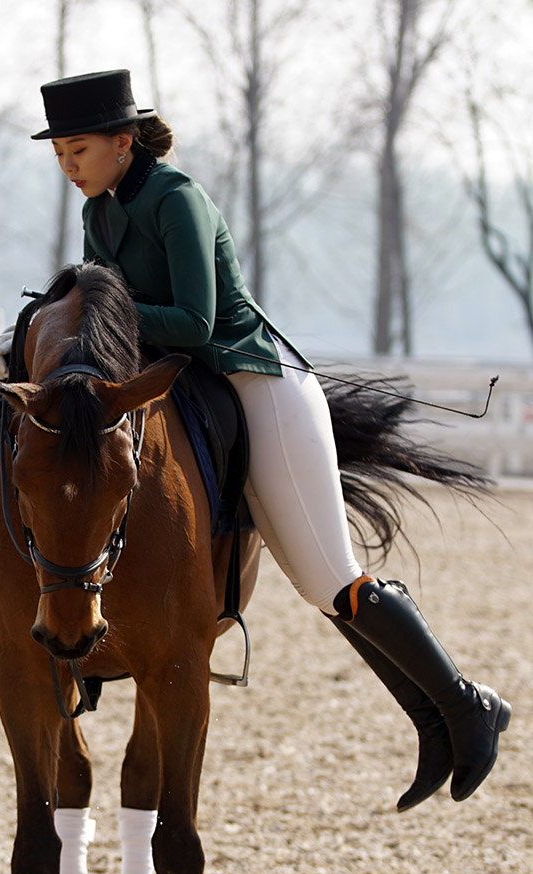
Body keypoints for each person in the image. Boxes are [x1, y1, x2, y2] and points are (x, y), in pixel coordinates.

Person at [31, 69, 511, 811]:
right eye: (60, 152)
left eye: (79, 149)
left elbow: (194, 322)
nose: (69, 164)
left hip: (258, 383)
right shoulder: (101, 212)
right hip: (192, 386)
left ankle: (465, 703)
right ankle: (432, 722)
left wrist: (105, 312)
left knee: (328, 580)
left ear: (124, 142)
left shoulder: (176, 199)